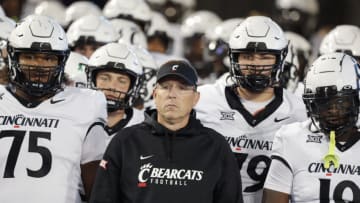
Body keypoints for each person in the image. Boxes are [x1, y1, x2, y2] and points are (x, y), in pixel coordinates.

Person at [89, 60, 243, 203]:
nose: (172, 94)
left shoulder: (215, 146)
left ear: (196, 98)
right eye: (165, 86)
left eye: (182, 88)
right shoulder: (125, 141)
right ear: (155, 95)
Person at [194, 16, 307, 203]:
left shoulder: (299, 111)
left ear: (280, 59)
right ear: (233, 58)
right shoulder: (202, 99)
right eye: (247, 56)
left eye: (265, 57)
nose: (256, 65)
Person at [0, 15, 108, 202]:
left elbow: (95, 186)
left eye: (49, 58)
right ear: (12, 57)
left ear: (61, 61)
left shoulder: (86, 103)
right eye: (30, 56)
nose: (39, 66)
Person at [263, 53, 360, 202]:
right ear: (311, 104)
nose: (333, 110)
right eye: (323, 102)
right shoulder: (291, 138)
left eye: (341, 101)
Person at [87, 42, 144, 144]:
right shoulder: (76, 118)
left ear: (132, 86)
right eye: (104, 78)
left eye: (122, 81)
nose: (112, 87)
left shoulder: (144, 125)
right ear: (92, 79)